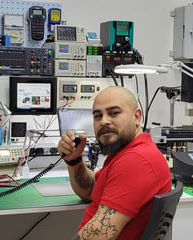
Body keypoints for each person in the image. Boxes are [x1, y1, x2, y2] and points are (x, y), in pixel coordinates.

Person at [57, 86, 172, 240]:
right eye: (98, 116)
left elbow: (97, 234)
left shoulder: (136, 161)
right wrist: (74, 160)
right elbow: (90, 190)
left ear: (137, 117)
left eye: (114, 113)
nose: (104, 121)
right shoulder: (126, 154)